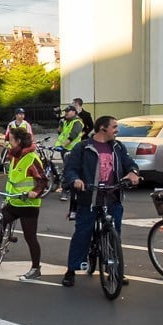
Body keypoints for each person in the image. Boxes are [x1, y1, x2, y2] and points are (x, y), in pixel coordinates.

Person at [60, 115, 140, 287]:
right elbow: (70, 169)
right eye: (114, 127)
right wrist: (75, 180)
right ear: (103, 129)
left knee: (114, 235)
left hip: (112, 197)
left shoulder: (118, 147)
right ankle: (72, 269)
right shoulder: (83, 148)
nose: (117, 130)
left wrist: (133, 172)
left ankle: (114, 270)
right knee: (83, 233)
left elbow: (129, 163)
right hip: (89, 197)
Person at [0, 127, 47, 278]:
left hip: (28, 206)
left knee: (30, 238)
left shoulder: (31, 158)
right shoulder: (13, 156)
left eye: (10, 141)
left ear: (19, 141)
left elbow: (42, 181)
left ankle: (36, 269)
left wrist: (35, 192)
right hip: (13, 203)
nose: (8, 144)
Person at [57, 105, 85, 201]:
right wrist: (60, 124)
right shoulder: (66, 122)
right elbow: (60, 133)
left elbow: (72, 136)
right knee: (66, 167)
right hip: (64, 149)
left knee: (67, 169)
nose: (66, 113)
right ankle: (63, 185)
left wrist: (63, 146)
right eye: (65, 112)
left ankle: (65, 190)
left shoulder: (77, 122)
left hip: (72, 150)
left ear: (74, 112)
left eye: (68, 112)